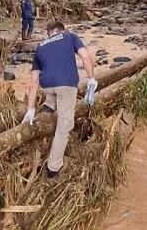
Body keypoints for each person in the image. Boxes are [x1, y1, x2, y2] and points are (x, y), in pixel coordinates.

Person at [22, 20, 97, 178]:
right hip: (66, 85)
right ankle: (53, 168)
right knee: (64, 127)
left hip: (47, 85)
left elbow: (34, 82)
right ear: (62, 30)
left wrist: (31, 110)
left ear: (49, 33)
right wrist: (91, 79)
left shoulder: (41, 46)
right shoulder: (70, 37)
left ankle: (48, 106)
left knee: (53, 85)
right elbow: (86, 58)